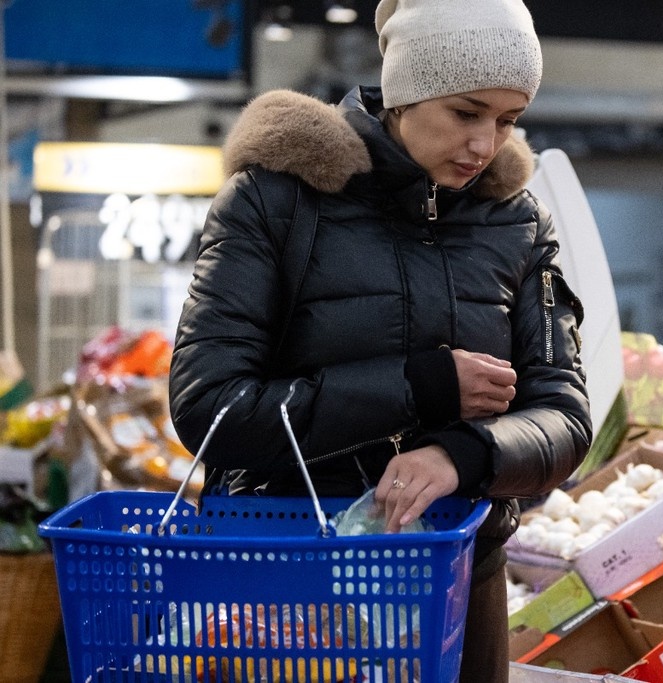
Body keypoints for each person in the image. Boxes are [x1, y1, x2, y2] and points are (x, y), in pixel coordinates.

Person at [168, 0, 592, 680]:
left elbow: (564, 417)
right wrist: (418, 386)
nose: (486, 145)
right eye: (466, 112)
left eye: (508, 120)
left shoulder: (514, 222)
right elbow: (208, 406)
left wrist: (463, 453)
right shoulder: (275, 200)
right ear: (405, 92)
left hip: (457, 581)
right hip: (286, 576)